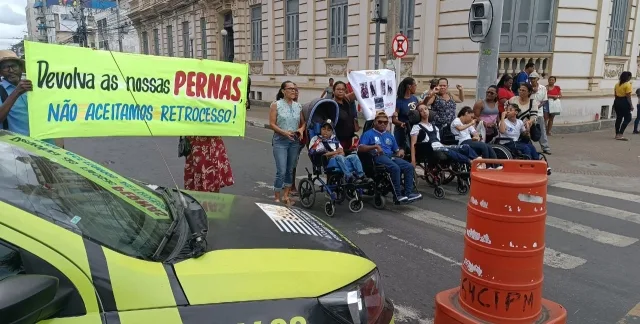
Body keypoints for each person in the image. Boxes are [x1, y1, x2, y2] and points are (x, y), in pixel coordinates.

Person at [358, 111, 422, 202]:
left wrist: (400, 151)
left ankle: (408, 193)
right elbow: (360, 148)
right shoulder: (368, 134)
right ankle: (397, 195)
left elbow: (396, 150)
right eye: (380, 122)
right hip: (377, 156)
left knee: (409, 166)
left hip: (390, 156)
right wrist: (375, 146)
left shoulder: (389, 135)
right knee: (395, 168)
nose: (383, 124)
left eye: (385, 122)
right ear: (375, 122)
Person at [0, 50, 54, 145]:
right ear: (1, 72)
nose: (11, 70)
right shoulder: (1, 90)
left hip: (47, 145)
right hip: (20, 149)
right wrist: (16, 92)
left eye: (13, 66)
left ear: (21, 68)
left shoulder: (37, 86)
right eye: (5, 67)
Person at [410, 104, 483, 167]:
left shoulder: (435, 127)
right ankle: (470, 161)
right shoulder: (417, 127)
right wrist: (413, 160)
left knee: (465, 147)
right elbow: (413, 144)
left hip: (440, 146)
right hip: (429, 148)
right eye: (421, 110)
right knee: (446, 150)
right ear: (418, 113)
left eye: (426, 109)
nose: (424, 111)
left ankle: (478, 160)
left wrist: (446, 145)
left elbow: (438, 141)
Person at [269, 81, 305, 206]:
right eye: (290, 89)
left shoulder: (298, 106)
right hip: (280, 140)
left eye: (295, 89)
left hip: (294, 141)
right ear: (283, 91)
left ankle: (286, 195)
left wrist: (301, 129)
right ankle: (277, 196)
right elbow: (272, 124)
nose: (293, 91)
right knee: (282, 170)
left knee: (290, 169)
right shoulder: (276, 105)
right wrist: (284, 132)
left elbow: (303, 122)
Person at [499, 104, 549, 175]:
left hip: (516, 142)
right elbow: (502, 131)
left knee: (530, 146)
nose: (507, 112)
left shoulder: (519, 122)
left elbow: (524, 134)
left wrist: (527, 129)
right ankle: (530, 166)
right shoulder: (504, 122)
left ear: (516, 112)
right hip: (507, 143)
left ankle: (538, 163)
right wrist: (502, 117)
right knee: (526, 148)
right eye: (506, 110)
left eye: (510, 110)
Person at [392, 77, 420, 151]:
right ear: (409, 86)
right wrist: (402, 123)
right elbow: (394, 119)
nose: (416, 87)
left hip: (414, 131)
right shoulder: (399, 101)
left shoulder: (415, 99)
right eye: (415, 85)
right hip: (402, 132)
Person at [332, 81, 360, 150]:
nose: (341, 91)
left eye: (343, 89)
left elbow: (359, 92)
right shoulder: (331, 105)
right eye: (338, 89)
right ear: (333, 91)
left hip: (349, 139)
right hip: (338, 141)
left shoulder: (346, 100)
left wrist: (353, 76)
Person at [529, 72, 551, 154]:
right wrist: (531, 91)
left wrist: (537, 107)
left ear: (537, 79)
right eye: (531, 79)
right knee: (527, 129)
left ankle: (545, 147)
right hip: (528, 112)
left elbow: (544, 100)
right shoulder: (527, 87)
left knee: (541, 130)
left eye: (534, 78)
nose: (532, 80)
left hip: (539, 112)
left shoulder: (542, 88)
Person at [613, 71, 634, 141]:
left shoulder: (617, 84)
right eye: (630, 77)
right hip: (624, 101)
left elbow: (615, 95)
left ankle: (617, 134)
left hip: (617, 101)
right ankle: (620, 134)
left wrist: (616, 102)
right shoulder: (628, 85)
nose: (630, 78)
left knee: (619, 118)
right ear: (628, 77)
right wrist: (631, 105)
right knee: (628, 118)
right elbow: (628, 96)